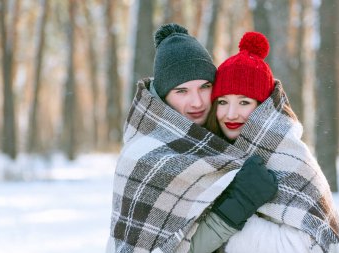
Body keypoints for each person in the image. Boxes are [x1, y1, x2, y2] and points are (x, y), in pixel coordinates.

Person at [106, 24, 278, 253]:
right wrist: (236, 206)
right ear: (164, 96)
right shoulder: (144, 157)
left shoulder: (227, 133)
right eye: (181, 91)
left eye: (205, 87)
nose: (196, 102)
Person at [204, 31, 339, 253]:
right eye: (223, 101)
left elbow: (310, 245)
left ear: (264, 107)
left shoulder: (291, 157)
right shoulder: (217, 153)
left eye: (244, 102)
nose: (231, 114)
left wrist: (230, 214)